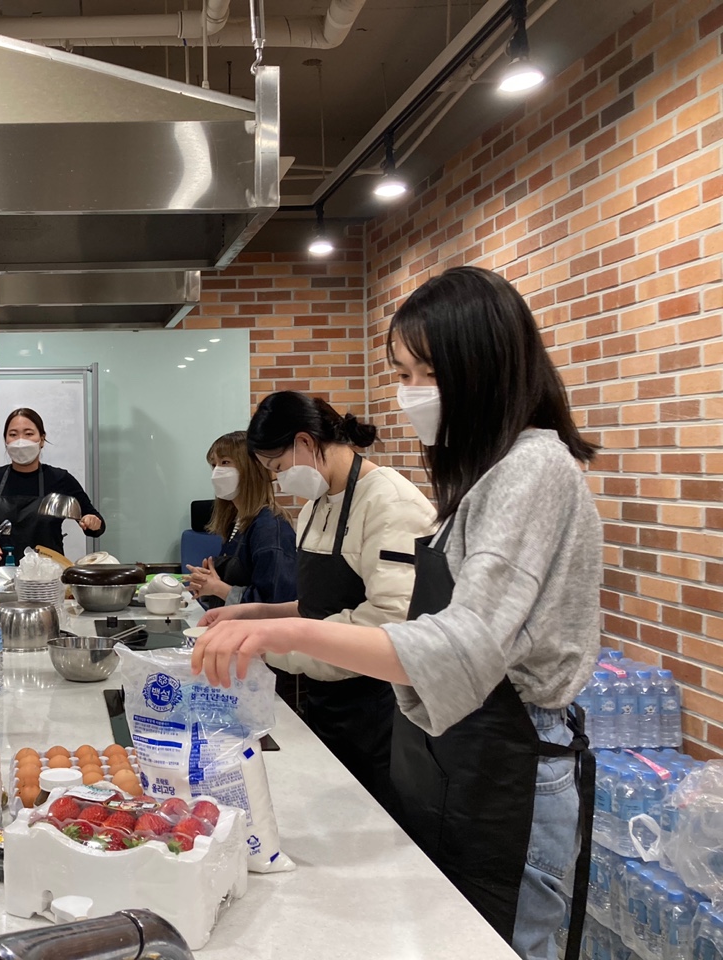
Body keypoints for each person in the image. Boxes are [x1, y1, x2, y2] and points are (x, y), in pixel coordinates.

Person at [193, 267, 600, 960]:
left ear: (483, 366)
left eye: (425, 374)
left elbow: (463, 643)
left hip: (508, 761)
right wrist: (259, 616)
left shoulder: (534, 470)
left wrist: (279, 631)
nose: (411, 393)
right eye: (403, 374)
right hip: (454, 751)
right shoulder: (486, 474)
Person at [202, 394, 434, 805]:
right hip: (326, 698)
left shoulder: (390, 502)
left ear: (305, 443)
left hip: (380, 709)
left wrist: (272, 644)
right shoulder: (316, 506)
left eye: (277, 467)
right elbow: (316, 606)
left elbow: (392, 627)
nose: (278, 481)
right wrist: (250, 615)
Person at [0, 407, 105, 563]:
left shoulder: (60, 479)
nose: (21, 441)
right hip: (1, 573)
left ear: (42, 439)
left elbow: (96, 526)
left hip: (50, 574)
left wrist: (92, 522)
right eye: (13, 434)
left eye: (29, 434)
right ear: (6, 441)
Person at [186, 431, 296, 609]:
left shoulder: (270, 528)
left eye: (225, 462)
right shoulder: (236, 522)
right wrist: (208, 584)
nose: (216, 472)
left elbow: (275, 603)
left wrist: (217, 588)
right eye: (214, 465)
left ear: (250, 468)